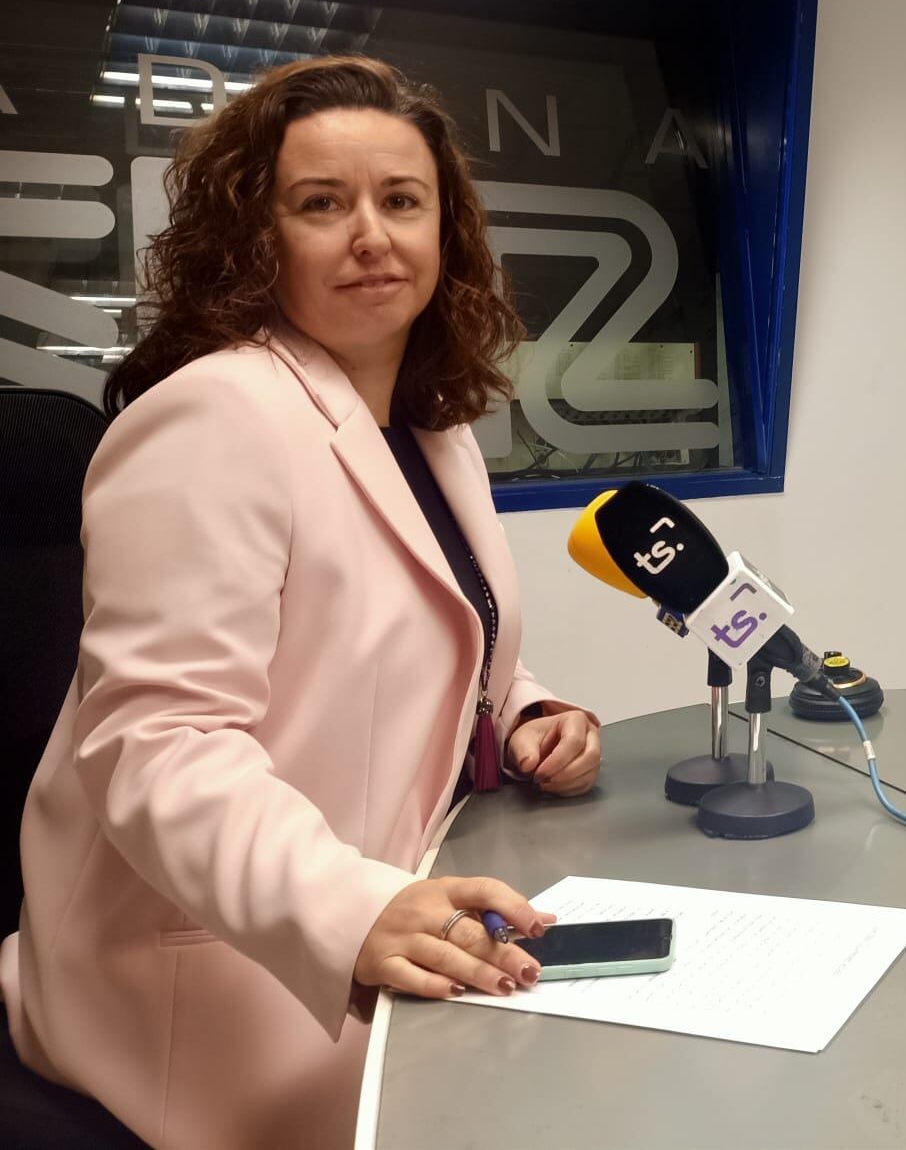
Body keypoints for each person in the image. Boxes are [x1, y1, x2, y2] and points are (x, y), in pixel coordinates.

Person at [1, 56, 604, 1148]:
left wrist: (524, 709)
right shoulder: (213, 418)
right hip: (208, 973)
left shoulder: (431, 428)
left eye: (402, 201)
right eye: (321, 204)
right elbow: (161, 742)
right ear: (257, 236)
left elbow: (425, 633)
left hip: (389, 900)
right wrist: (351, 907)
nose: (371, 235)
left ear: (445, 231)